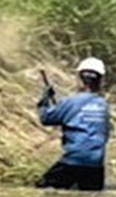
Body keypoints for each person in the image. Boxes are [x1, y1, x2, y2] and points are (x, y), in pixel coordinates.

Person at [37, 57, 112, 192]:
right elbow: (105, 135)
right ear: (101, 81)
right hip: (96, 164)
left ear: (79, 78)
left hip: (74, 161)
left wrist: (45, 99)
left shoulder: (71, 102)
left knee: (42, 188)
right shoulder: (103, 105)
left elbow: (45, 118)